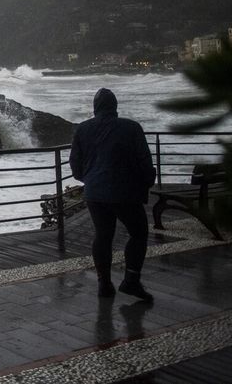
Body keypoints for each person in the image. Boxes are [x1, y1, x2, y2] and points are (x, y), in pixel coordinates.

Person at [69, 88, 156, 302]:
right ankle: (131, 280)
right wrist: (145, 184)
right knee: (138, 233)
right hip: (126, 192)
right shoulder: (131, 128)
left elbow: (75, 165)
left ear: (95, 108)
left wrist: (89, 180)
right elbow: (145, 162)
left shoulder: (82, 129)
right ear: (115, 106)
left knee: (103, 235)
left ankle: (104, 284)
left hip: (95, 193)